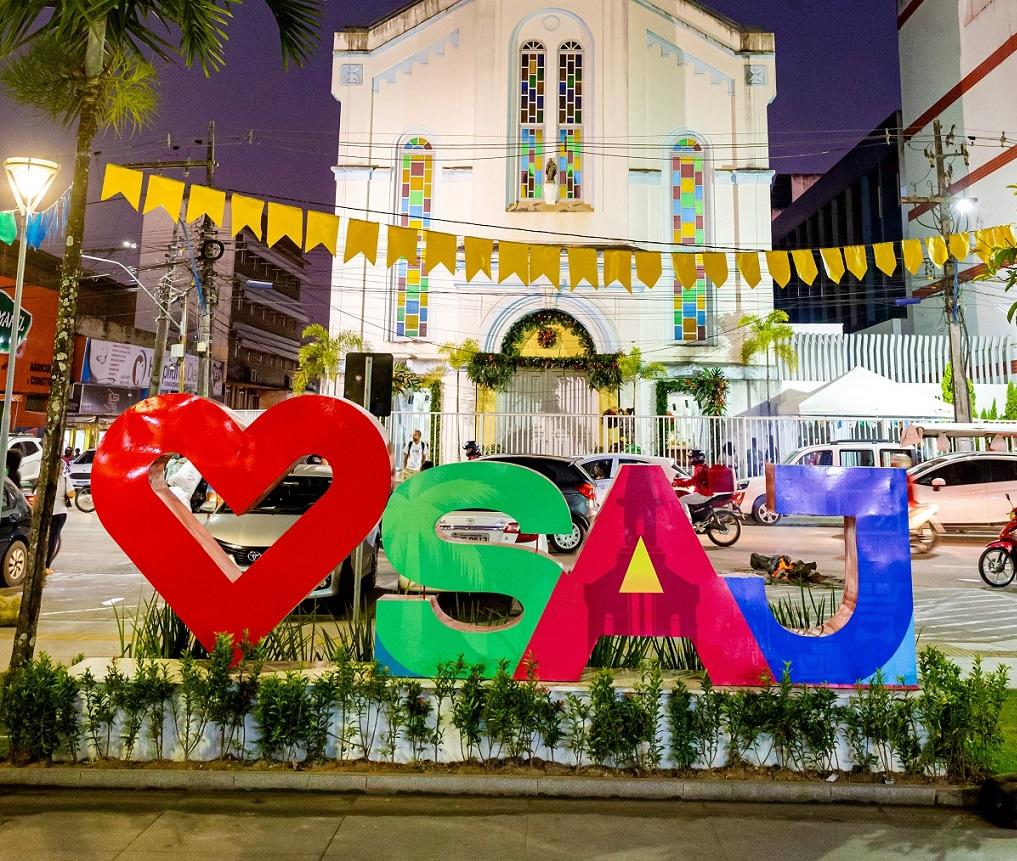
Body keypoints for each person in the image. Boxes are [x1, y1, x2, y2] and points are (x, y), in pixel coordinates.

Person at [45, 468, 73, 576]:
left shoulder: (46, 479)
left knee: (42, 537)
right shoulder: (65, 479)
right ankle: (47, 566)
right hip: (60, 512)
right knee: (54, 538)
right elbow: (71, 494)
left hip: (47, 512)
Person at [674, 449, 711, 519]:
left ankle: (688, 521)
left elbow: (693, 481)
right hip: (703, 492)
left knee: (682, 500)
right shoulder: (702, 467)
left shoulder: (699, 469)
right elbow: (697, 481)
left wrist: (678, 484)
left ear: (696, 458)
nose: (690, 460)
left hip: (703, 494)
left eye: (691, 458)